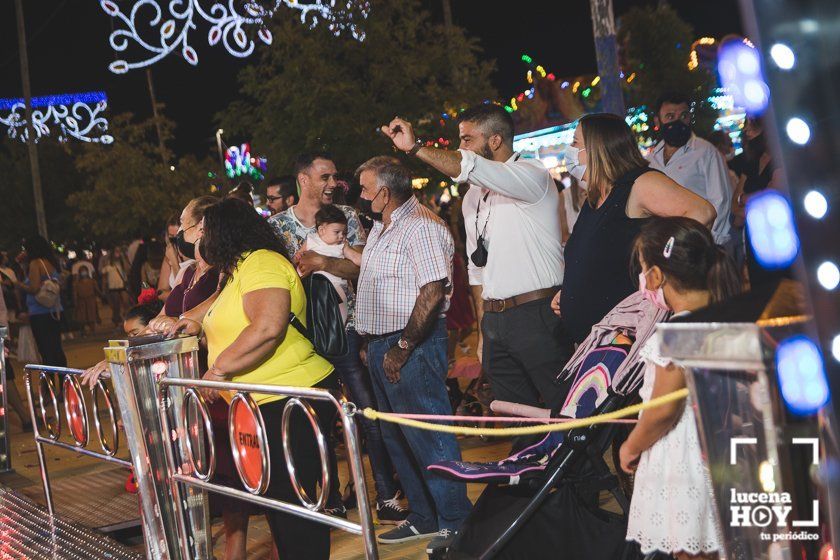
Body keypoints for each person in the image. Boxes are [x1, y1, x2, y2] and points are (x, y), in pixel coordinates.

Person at [168, 198, 335, 560]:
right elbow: (213, 310)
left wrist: (219, 370)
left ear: (224, 232)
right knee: (281, 509)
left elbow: (266, 327)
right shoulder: (238, 270)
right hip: (261, 404)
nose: (200, 240)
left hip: (289, 399)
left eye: (206, 231)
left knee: (296, 513)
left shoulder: (262, 262)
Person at [379, 106, 571, 411]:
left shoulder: (532, 175)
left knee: (566, 410)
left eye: (467, 139)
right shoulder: (472, 197)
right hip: (495, 320)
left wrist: (415, 148)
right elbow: (477, 271)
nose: (461, 147)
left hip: (538, 314)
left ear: (495, 141)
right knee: (513, 416)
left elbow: (464, 165)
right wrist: (484, 333)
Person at [270, 153, 405, 522]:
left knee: (368, 414)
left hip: (348, 333)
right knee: (316, 421)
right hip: (306, 340)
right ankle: (328, 498)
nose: (333, 183)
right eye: (324, 177)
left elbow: (364, 265)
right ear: (303, 179)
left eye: (335, 177)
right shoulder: (278, 227)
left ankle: (386, 495)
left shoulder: (347, 217)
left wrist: (322, 263)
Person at [354, 159, 472, 552]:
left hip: (412, 345)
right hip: (384, 345)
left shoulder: (420, 225)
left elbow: (432, 291)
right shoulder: (384, 226)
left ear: (385, 194)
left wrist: (402, 348)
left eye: (366, 189)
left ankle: (456, 519)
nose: (362, 196)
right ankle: (423, 516)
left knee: (430, 436)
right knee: (398, 437)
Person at [620, 217, 741, 560]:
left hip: (687, 462)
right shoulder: (727, 320)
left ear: (656, 276)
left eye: (643, 270)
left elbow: (662, 411)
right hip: (725, 453)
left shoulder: (679, 333)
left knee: (690, 548)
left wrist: (631, 447)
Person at [552, 113, 716, 345]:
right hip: (596, 344)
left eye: (575, 143)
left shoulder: (638, 184)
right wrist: (569, 293)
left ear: (599, 148)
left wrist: (661, 268)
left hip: (630, 339)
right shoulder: (596, 197)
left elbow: (702, 212)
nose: (569, 149)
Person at [646, 92, 732, 245]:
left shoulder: (706, 152)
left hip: (697, 243)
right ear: (657, 121)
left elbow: (721, 201)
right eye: (670, 117)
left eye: (684, 116)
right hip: (662, 245)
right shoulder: (652, 159)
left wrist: (711, 243)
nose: (678, 122)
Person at [14, 236, 67, 368]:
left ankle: (49, 384)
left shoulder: (35, 264)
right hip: (55, 311)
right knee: (56, 348)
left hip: (39, 312)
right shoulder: (50, 262)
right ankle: (64, 381)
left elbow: (34, 288)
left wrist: (18, 284)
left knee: (45, 350)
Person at [100, 247, 130, 327]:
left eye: (119, 251)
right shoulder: (109, 264)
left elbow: (127, 271)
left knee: (126, 303)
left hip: (122, 286)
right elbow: (103, 274)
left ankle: (126, 320)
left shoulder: (123, 263)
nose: (118, 253)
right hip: (113, 287)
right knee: (116, 305)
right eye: (116, 251)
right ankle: (116, 321)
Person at [157, 214, 185, 301]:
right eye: (171, 238)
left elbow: (184, 292)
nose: (174, 242)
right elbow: (160, 292)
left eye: (177, 237)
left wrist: (174, 261)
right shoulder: (168, 256)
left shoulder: (193, 256)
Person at [73, 268, 100, 334]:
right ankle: (83, 331)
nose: (84, 273)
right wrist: (75, 301)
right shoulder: (76, 283)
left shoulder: (92, 281)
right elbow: (75, 293)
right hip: (81, 301)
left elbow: (97, 290)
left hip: (91, 300)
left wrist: (101, 295)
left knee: (92, 315)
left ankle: (92, 330)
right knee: (82, 317)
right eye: (82, 271)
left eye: (84, 271)